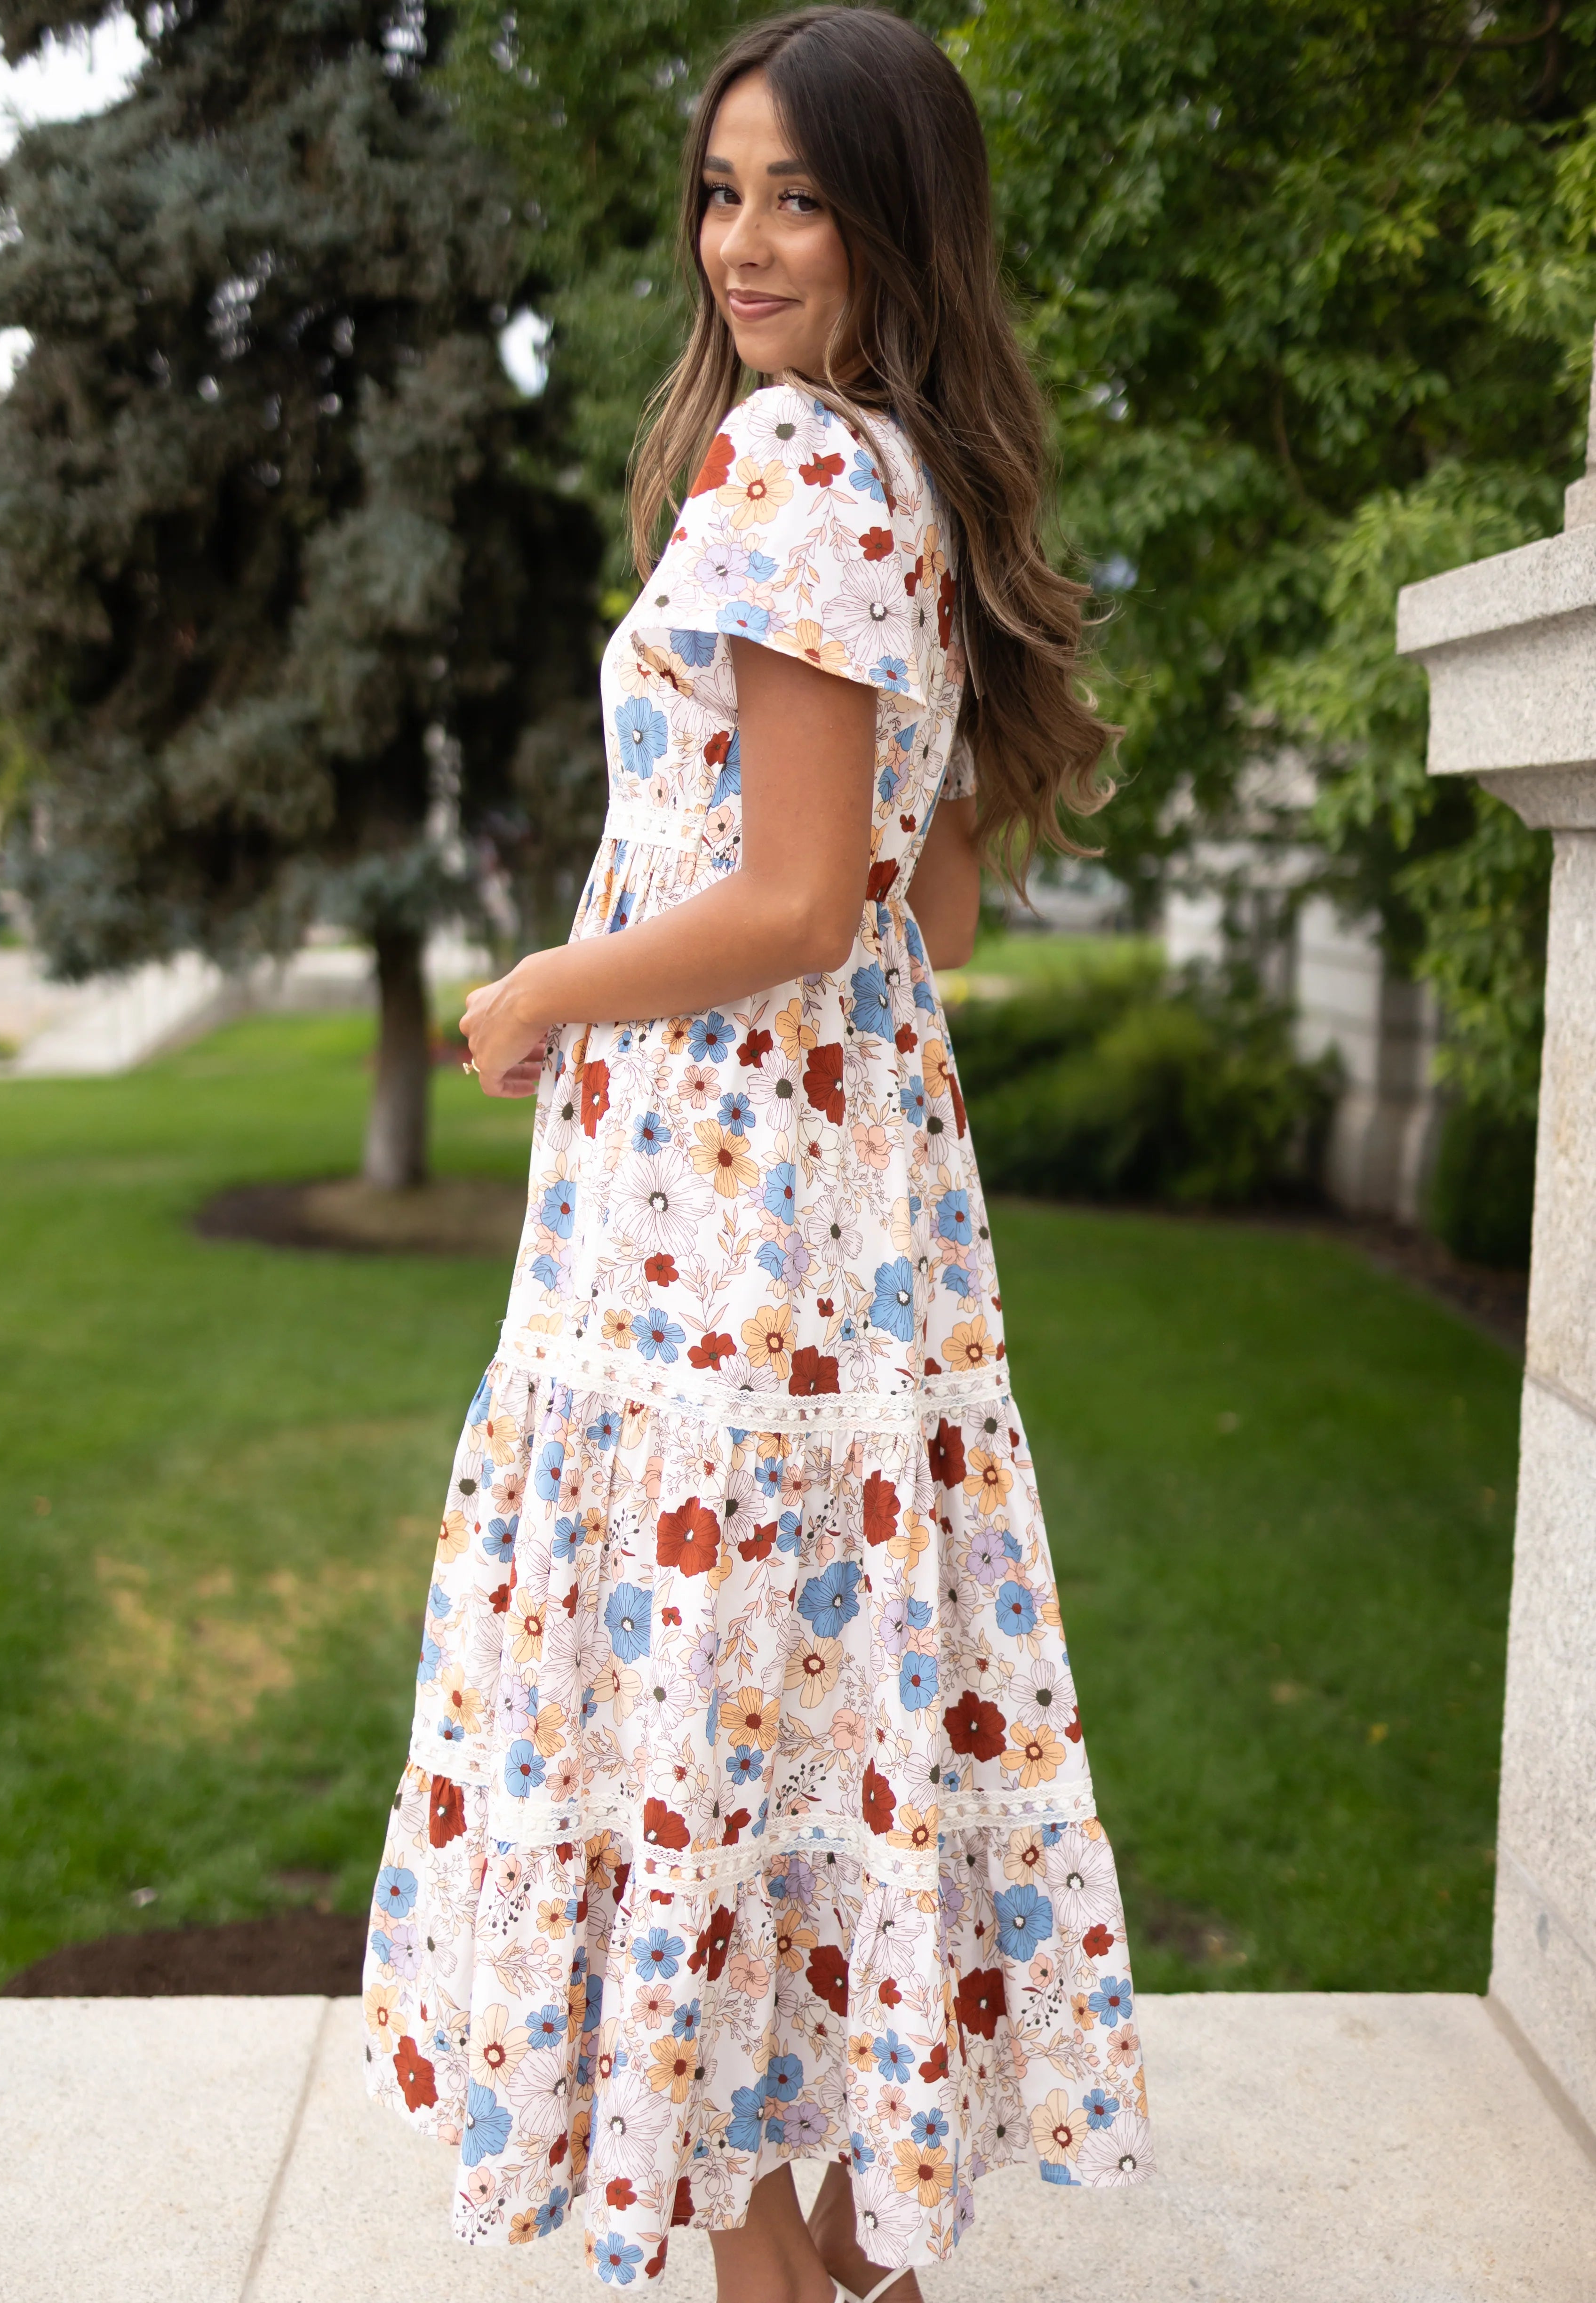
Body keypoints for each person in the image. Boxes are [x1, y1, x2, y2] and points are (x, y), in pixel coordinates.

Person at [362, 8, 1154, 2296]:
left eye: (801, 196)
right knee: (802, 1749)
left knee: (708, 1732)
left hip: (719, 1233)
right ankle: (821, 2253)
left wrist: (541, 990)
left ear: (899, 223)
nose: (744, 242)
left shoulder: (796, 466)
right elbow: (930, 909)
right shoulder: (908, 478)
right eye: (723, 193)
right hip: (835, 1211)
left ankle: (785, 2274)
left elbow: (804, 902)